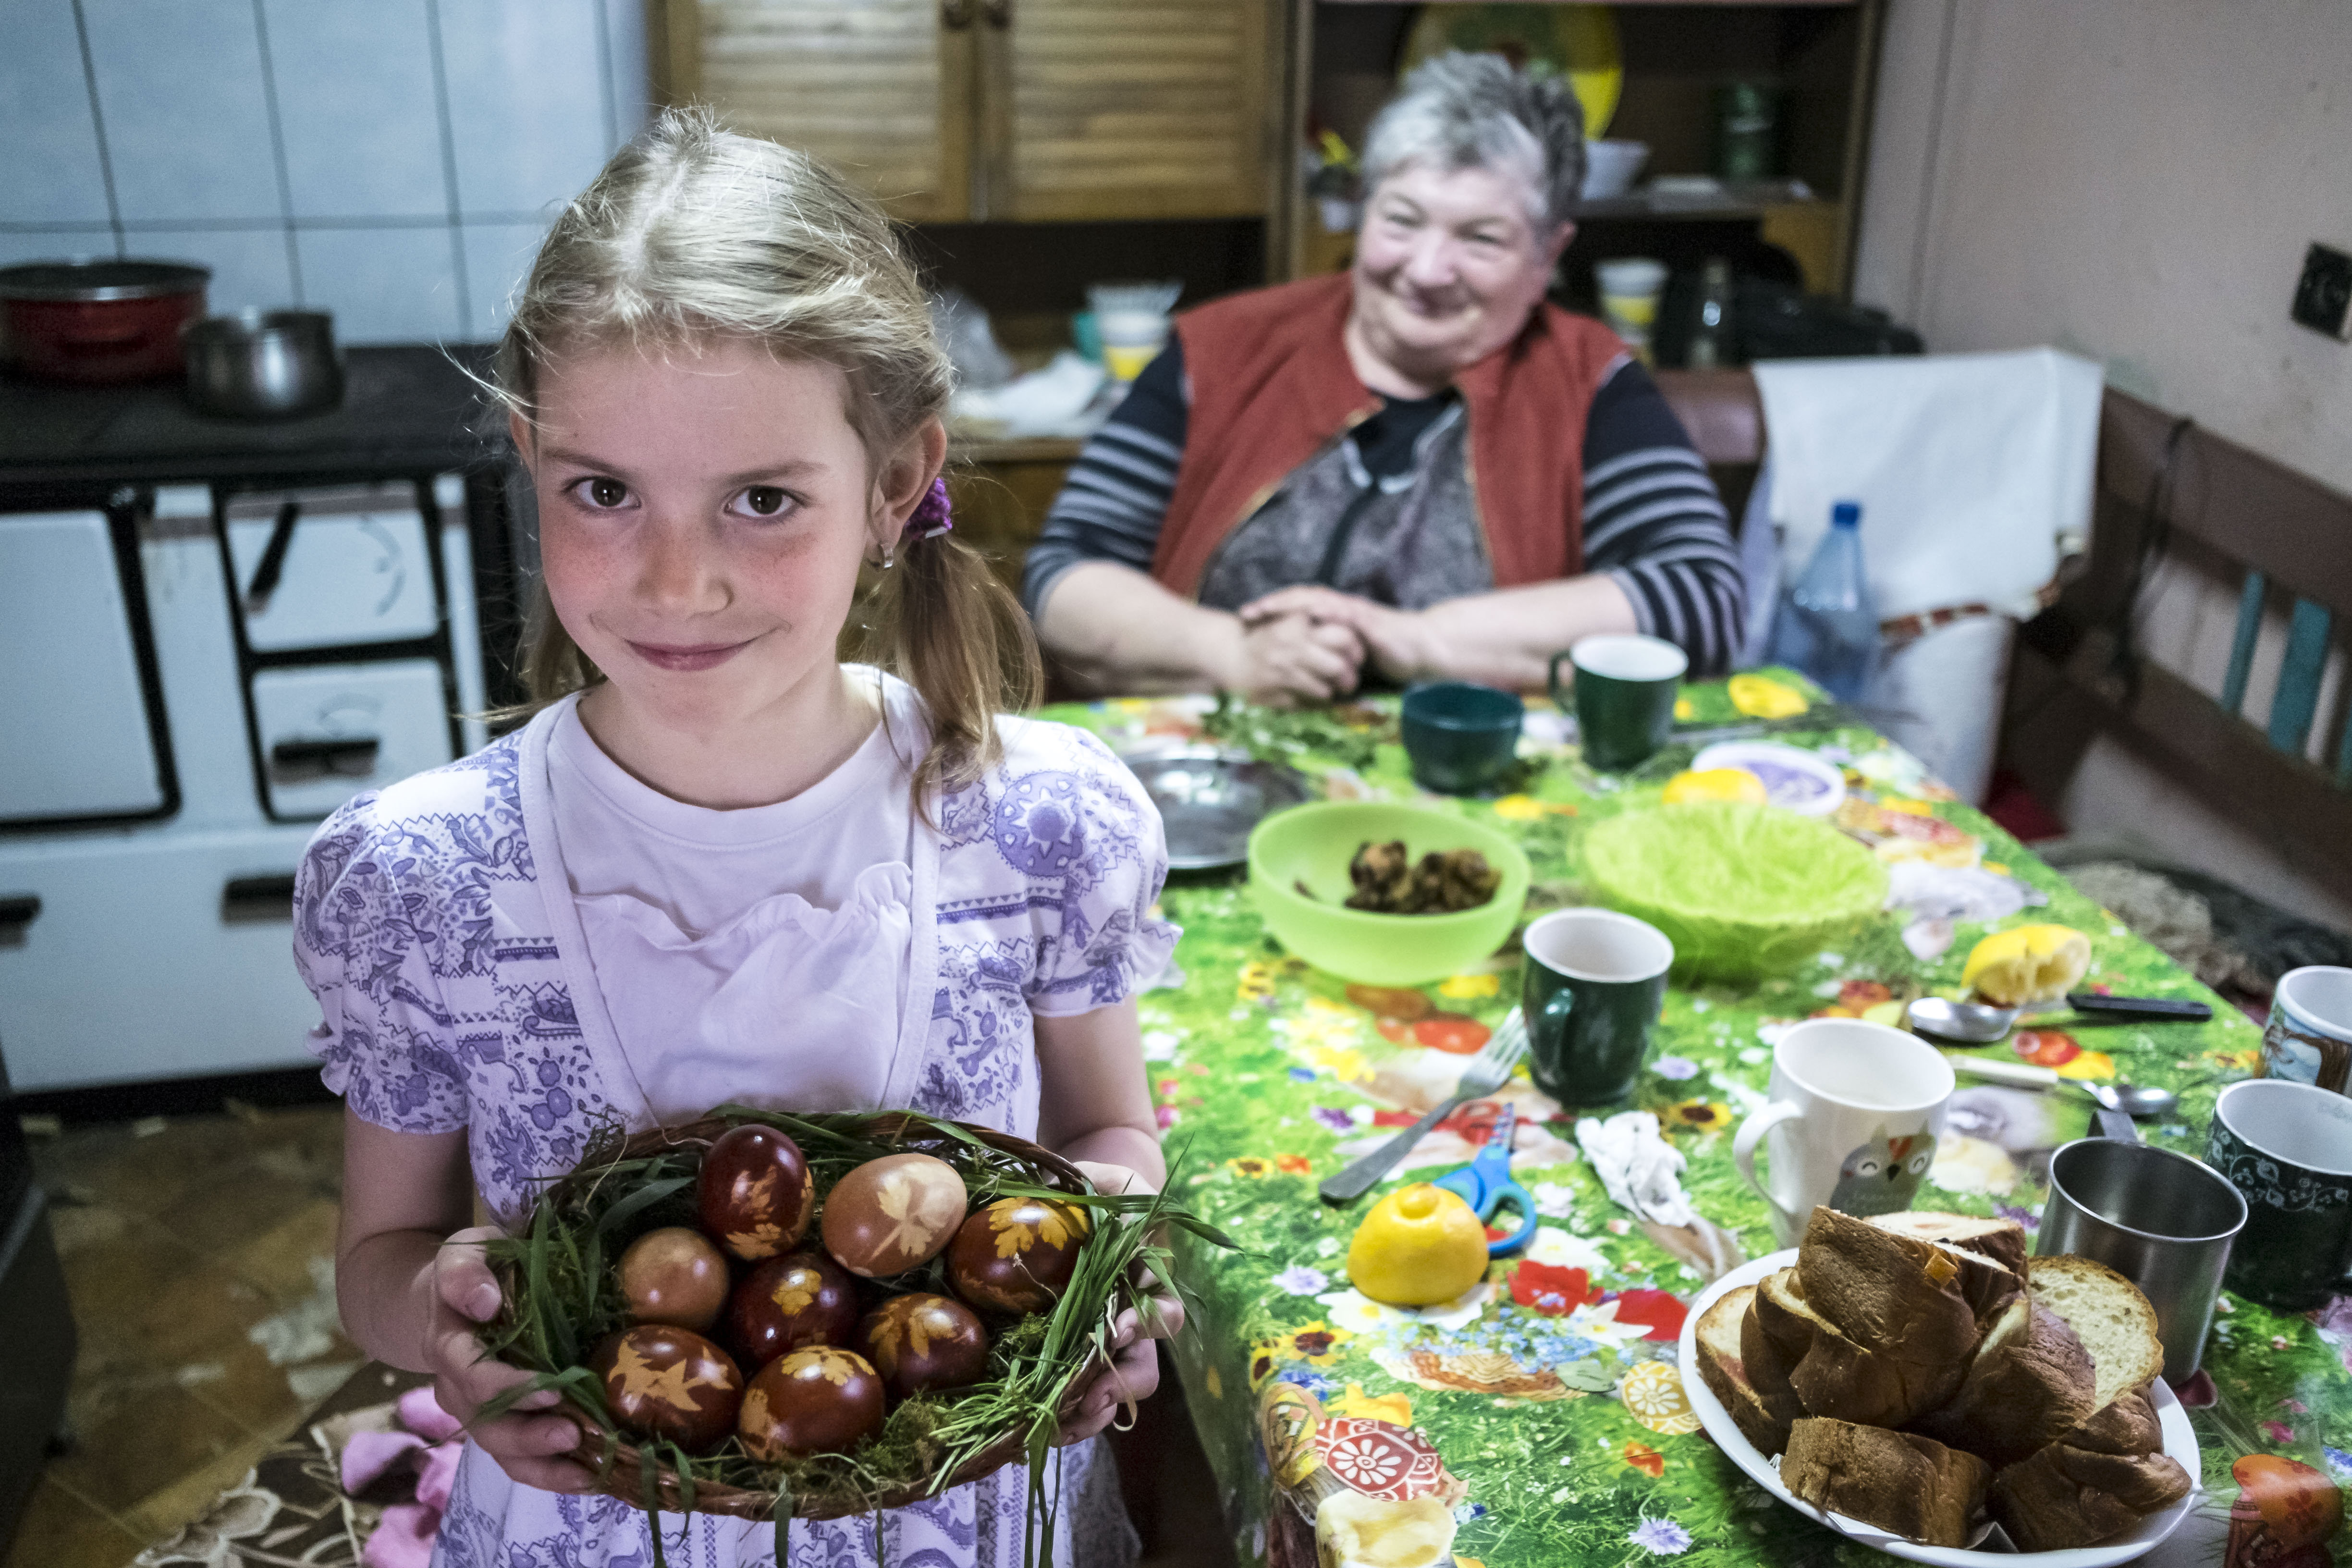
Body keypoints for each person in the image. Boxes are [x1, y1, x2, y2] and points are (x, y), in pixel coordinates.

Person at [296, 109, 1178, 1568]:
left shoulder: (1041, 828)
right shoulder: (423, 883)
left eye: (762, 500)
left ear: (893, 485)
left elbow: (1111, 1133)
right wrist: (444, 1330)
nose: (676, 581)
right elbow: (377, 1268)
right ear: (529, 459)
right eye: (603, 492)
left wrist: (1105, 1268)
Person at [1025, 53, 1745, 702]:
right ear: (1363, 211)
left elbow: (1702, 598)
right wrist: (1232, 654)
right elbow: (1062, 577)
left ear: (1548, 254)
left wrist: (1417, 641)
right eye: (1401, 220)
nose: (1427, 271)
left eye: (1481, 238)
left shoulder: (1591, 381)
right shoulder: (1223, 349)